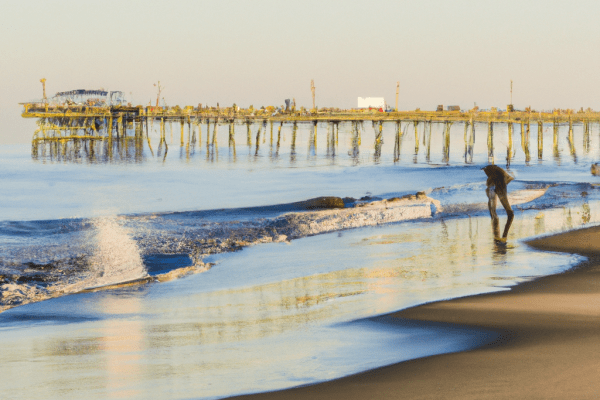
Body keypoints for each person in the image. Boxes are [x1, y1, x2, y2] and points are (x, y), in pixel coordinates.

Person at [482, 165, 514, 242]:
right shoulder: (502, 175)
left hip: (497, 179)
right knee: (495, 212)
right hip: (498, 179)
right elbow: (508, 178)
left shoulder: (496, 176)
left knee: (494, 212)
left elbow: (490, 181)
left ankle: (499, 236)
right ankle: (500, 236)